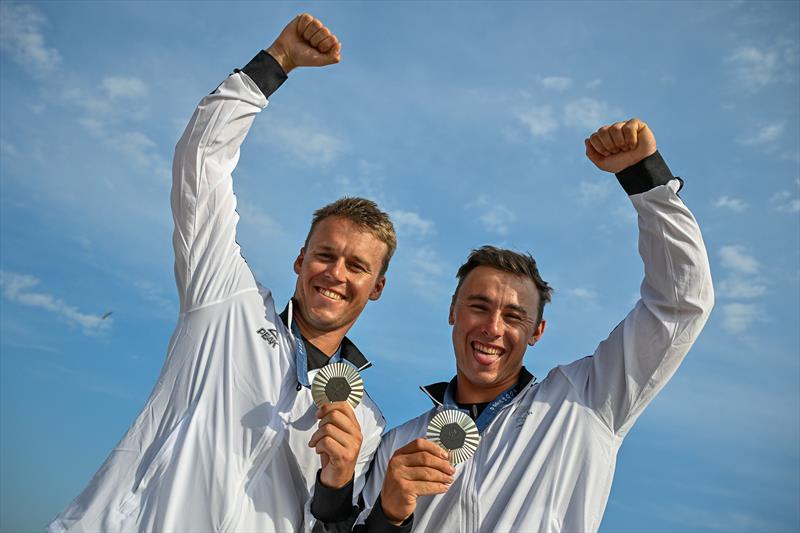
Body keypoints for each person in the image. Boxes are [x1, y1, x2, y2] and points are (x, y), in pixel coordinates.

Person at [48, 14, 394, 533]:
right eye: (325, 254)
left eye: (357, 265)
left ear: (377, 287)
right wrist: (276, 63)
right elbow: (200, 165)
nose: (335, 273)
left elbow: (334, 526)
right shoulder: (226, 299)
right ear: (300, 260)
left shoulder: (366, 425)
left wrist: (338, 483)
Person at [313, 119, 714, 532]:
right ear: (453, 310)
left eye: (514, 316)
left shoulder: (586, 401)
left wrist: (645, 179)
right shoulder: (398, 444)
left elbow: (681, 302)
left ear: (537, 332)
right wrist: (390, 516)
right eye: (479, 306)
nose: (492, 327)